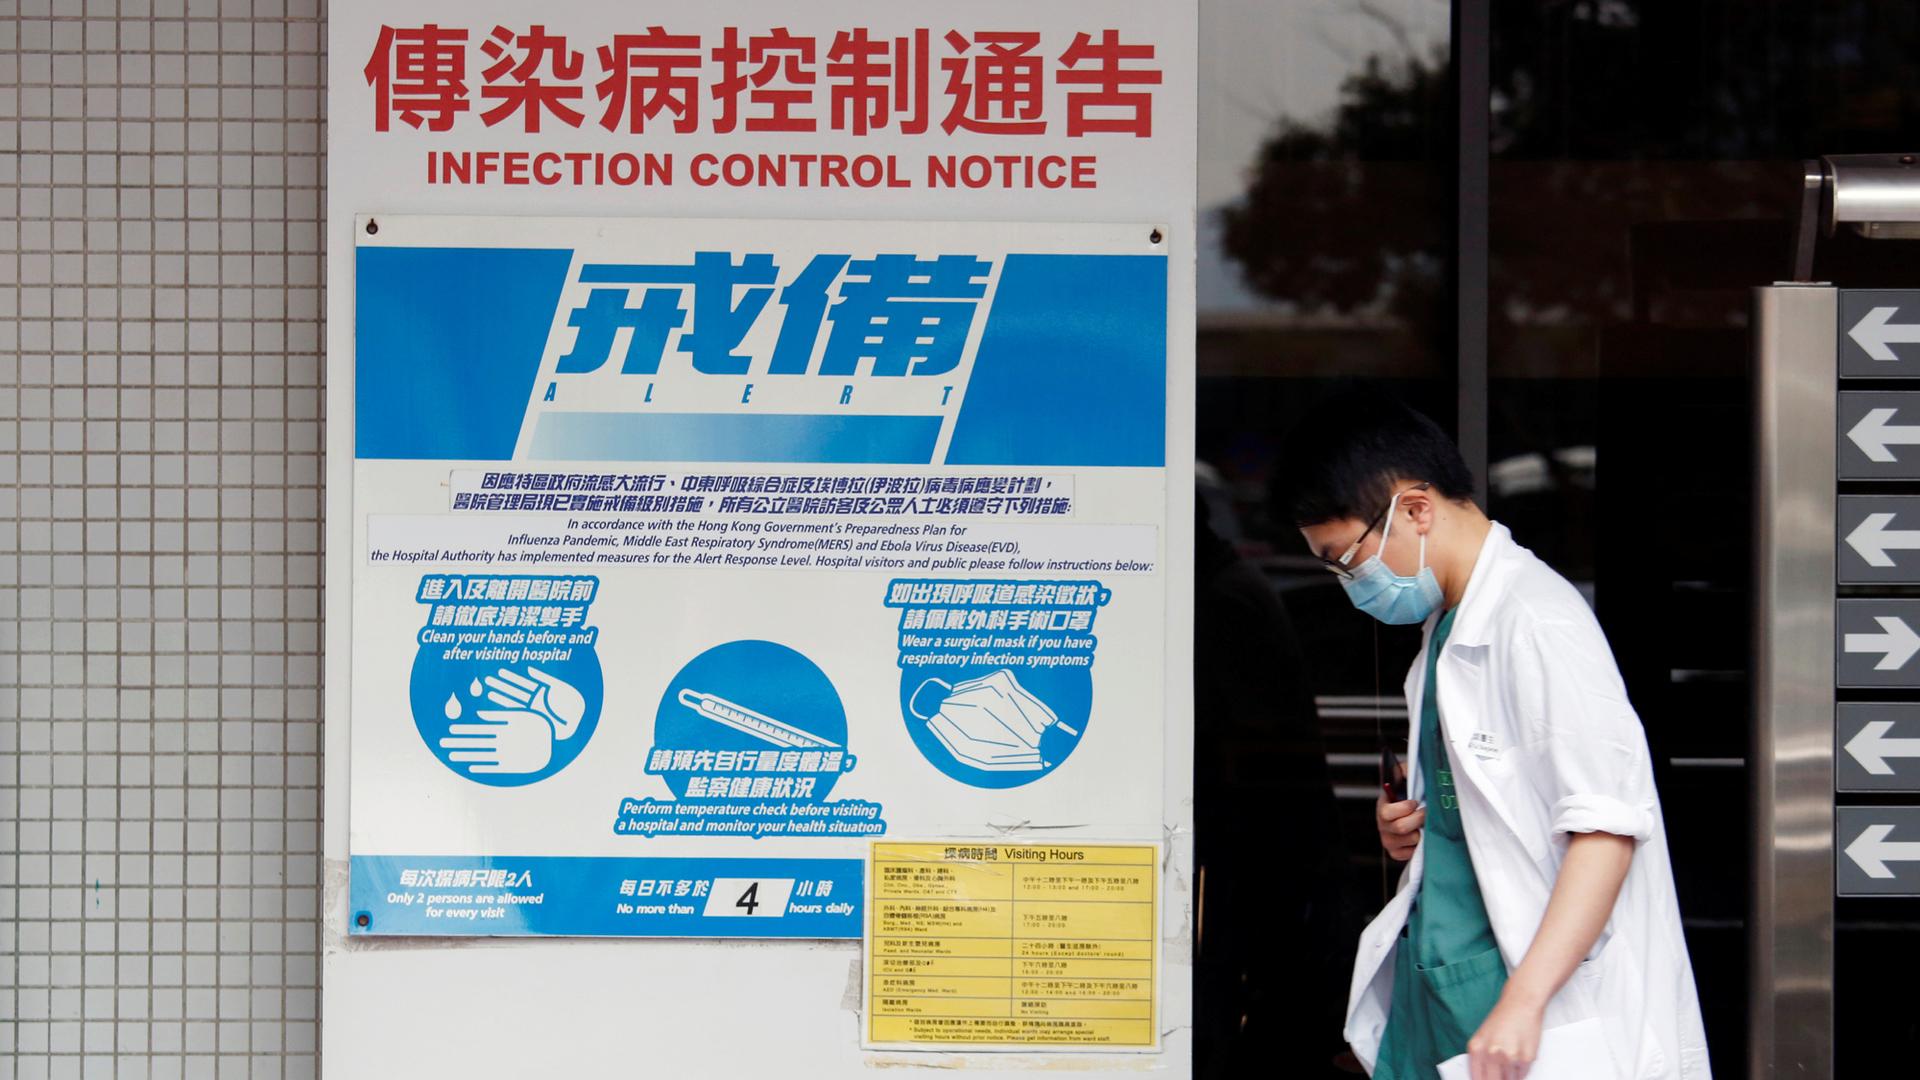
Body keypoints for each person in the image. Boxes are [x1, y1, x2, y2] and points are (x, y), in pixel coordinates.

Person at [1278, 389, 1709, 1080]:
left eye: (1346, 558)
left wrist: (1524, 1000)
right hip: (1448, 993)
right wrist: (1419, 827)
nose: (1346, 581)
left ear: (1416, 509)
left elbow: (1606, 831)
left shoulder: (1537, 622)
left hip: (1523, 1008)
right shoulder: (1447, 630)